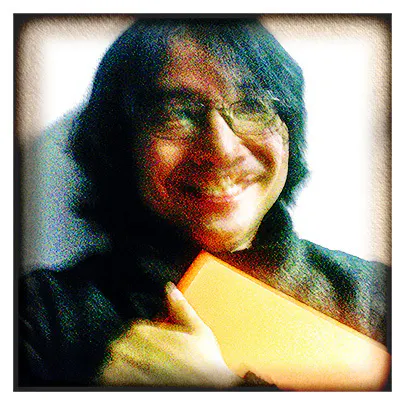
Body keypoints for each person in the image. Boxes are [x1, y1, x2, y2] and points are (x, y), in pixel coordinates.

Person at [18, 18, 390, 389]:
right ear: (121, 144)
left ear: (288, 131)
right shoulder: (40, 315)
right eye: (177, 113)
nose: (221, 150)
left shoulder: (375, 296)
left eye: (252, 106)